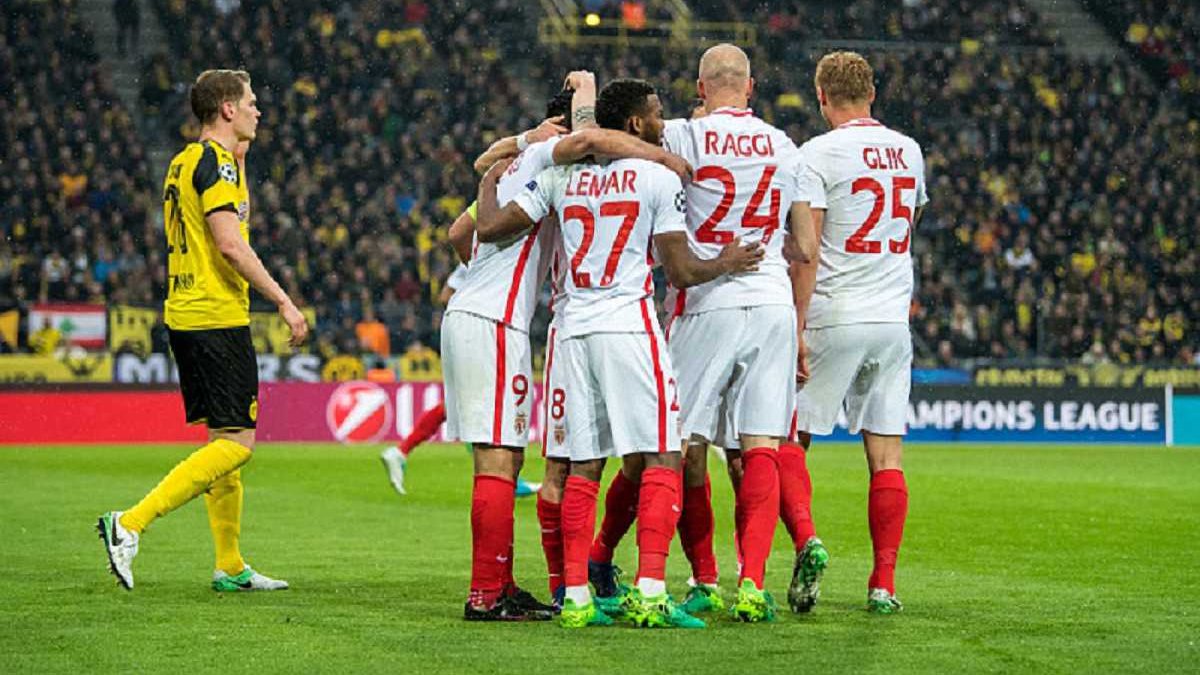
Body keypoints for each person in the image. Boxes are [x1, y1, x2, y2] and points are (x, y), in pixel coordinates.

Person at [476, 77, 762, 629]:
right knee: (663, 455)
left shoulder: (559, 177)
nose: (663, 123)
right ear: (634, 124)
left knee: (582, 466)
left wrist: (490, 179)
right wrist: (726, 262)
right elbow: (681, 270)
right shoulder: (657, 176)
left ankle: (576, 597)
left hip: (571, 331)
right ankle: (651, 591)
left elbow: (489, 227)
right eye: (656, 114)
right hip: (629, 327)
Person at [442, 77, 691, 622]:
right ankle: (487, 593)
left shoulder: (521, 168)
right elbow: (588, 140)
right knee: (499, 458)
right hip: (499, 319)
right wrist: (659, 155)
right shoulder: (549, 162)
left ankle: (510, 584)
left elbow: (461, 233)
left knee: (522, 458)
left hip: (485, 314)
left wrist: (501, 160)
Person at [97, 70, 309, 592]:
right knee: (239, 445)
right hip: (216, 316)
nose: (259, 109)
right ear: (228, 109)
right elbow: (231, 244)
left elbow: (233, 216)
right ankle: (129, 523)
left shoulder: (186, 161)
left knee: (222, 443)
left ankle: (230, 565)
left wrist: (242, 159)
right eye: (251, 102)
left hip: (186, 313)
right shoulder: (215, 164)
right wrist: (284, 301)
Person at [792, 51, 928, 614]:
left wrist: (796, 327)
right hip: (892, 320)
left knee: (789, 440)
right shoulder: (909, 150)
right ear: (872, 93)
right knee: (887, 455)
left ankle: (807, 541)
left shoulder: (815, 154)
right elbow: (909, 223)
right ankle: (883, 584)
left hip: (834, 312)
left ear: (822, 97)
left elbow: (807, 250)